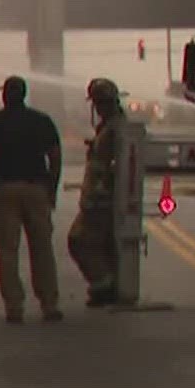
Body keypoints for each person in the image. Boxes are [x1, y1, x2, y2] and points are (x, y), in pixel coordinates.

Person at [0, 76, 64, 324]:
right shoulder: (42, 121)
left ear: (5, 95)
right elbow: (55, 157)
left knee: (7, 252)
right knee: (42, 250)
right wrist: (52, 189)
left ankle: (14, 308)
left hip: (4, 190)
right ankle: (49, 304)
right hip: (36, 189)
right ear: (24, 94)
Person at [69, 78, 126, 306]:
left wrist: (101, 188)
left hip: (101, 198)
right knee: (104, 245)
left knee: (79, 240)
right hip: (99, 196)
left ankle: (104, 284)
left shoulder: (116, 128)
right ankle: (110, 285)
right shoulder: (110, 126)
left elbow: (114, 163)